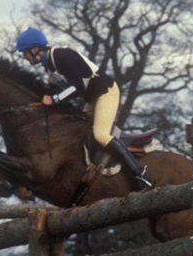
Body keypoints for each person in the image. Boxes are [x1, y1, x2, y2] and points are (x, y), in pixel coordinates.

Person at [16, 26, 153, 191]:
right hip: (92, 98)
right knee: (80, 132)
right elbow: (58, 90)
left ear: (35, 49)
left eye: (24, 52)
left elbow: (78, 87)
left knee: (101, 135)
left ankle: (141, 175)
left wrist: (54, 99)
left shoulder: (61, 56)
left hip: (105, 93)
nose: (24, 57)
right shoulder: (50, 65)